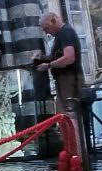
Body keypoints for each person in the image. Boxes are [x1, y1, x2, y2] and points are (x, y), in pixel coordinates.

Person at [32, 13, 85, 153]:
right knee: (63, 116)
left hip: (70, 79)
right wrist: (42, 59)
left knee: (69, 116)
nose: (46, 32)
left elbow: (68, 58)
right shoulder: (60, 35)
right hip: (63, 80)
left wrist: (48, 66)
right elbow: (58, 56)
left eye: (46, 28)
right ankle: (71, 153)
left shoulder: (66, 32)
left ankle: (77, 155)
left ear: (54, 20)